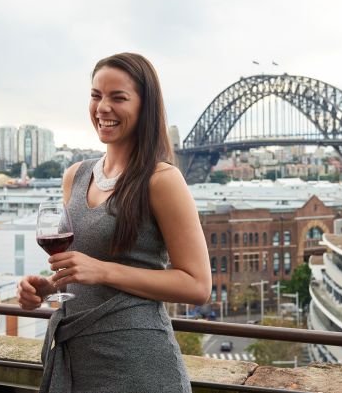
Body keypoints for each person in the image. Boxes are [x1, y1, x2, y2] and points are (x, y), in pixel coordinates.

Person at [18, 53, 211, 393]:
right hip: (75, 357)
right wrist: (48, 287)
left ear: (144, 106)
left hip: (138, 364)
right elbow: (85, 267)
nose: (102, 108)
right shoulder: (75, 176)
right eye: (96, 95)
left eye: (118, 97)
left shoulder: (162, 180)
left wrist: (103, 271)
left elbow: (197, 285)